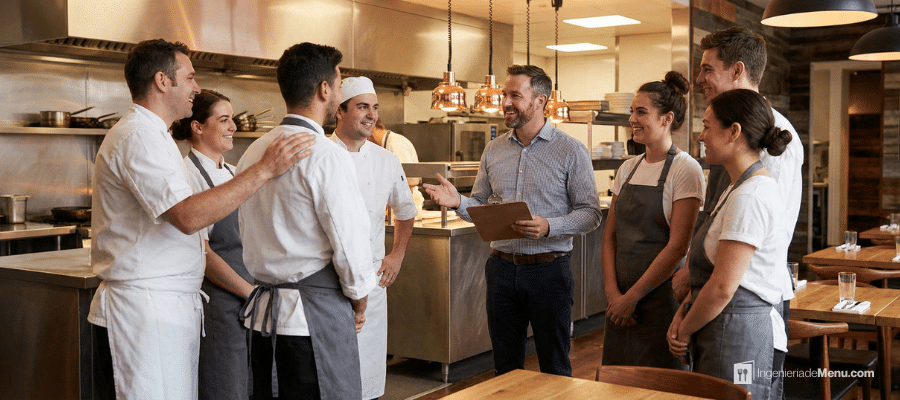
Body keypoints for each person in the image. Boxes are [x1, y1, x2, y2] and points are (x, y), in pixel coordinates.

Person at [88, 39, 312, 398]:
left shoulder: (155, 136)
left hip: (166, 310)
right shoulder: (137, 136)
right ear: (163, 81)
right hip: (143, 312)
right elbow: (188, 216)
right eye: (190, 78)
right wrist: (263, 171)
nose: (196, 87)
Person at [423, 65, 602, 377]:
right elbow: (479, 204)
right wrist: (458, 202)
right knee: (505, 367)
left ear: (540, 101)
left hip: (550, 271)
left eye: (515, 95)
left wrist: (549, 226)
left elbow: (590, 213)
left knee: (555, 365)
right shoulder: (494, 150)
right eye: (505, 94)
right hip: (502, 270)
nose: (505, 101)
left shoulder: (571, 150)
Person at [237, 42, 377, 400]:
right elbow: (349, 241)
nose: (339, 90)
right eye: (339, 83)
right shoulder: (327, 154)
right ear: (324, 89)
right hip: (310, 322)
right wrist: (360, 298)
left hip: (263, 319)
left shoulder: (253, 149)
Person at [672, 25, 803, 399]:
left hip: (744, 298)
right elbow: (718, 215)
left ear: (737, 70)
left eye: (707, 69)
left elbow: (754, 237)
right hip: (719, 292)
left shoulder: (767, 142)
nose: (698, 79)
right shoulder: (730, 138)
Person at [601, 71, 703, 370]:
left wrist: (632, 297)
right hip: (619, 303)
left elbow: (678, 248)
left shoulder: (686, 170)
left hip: (660, 301)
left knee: (661, 383)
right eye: (632, 111)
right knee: (617, 383)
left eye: (641, 111)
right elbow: (610, 237)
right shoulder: (627, 168)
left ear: (666, 118)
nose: (632, 118)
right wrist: (613, 296)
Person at [330, 76, 418, 400]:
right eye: (362, 107)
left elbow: (405, 211)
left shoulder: (386, 160)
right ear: (339, 111)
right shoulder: (320, 155)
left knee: (367, 378)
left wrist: (397, 255)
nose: (371, 115)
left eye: (375, 108)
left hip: (370, 279)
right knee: (331, 376)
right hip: (327, 282)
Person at [171, 89, 255, 400]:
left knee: (250, 387)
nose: (233, 126)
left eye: (232, 119)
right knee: (225, 389)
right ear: (197, 127)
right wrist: (250, 292)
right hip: (220, 302)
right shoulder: (186, 176)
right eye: (224, 120)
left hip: (252, 298)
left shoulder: (235, 173)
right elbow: (202, 253)